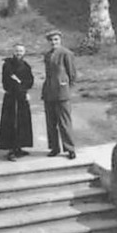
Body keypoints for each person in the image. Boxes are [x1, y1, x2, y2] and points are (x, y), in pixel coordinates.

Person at [40, 29, 77, 159]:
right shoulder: (47, 55)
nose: (53, 42)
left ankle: (70, 149)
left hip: (62, 93)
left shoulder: (66, 54)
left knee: (64, 122)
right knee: (51, 123)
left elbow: (72, 74)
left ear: (60, 40)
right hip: (49, 92)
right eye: (51, 40)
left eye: (56, 39)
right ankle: (54, 148)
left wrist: (66, 87)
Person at [0, 43, 34, 161]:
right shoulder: (7, 65)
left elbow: (30, 81)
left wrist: (22, 87)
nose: (19, 53)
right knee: (11, 123)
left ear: (24, 53)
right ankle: (11, 150)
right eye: (17, 51)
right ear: (13, 52)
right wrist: (20, 86)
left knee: (22, 122)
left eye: (21, 51)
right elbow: (8, 82)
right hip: (11, 98)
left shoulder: (26, 66)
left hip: (22, 98)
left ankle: (19, 147)